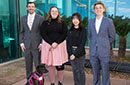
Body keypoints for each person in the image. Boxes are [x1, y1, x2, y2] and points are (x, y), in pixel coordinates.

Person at [88, 2, 116, 85]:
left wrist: (105, 44)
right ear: (94, 10)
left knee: (105, 72)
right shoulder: (90, 22)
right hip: (93, 51)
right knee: (95, 72)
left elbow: (112, 36)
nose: (98, 9)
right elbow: (90, 36)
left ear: (103, 9)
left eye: (100, 8)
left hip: (104, 51)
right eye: (96, 8)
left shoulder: (109, 21)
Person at [40, 6, 68, 85]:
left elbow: (65, 33)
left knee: (60, 65)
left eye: (56, 11)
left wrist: (57, 42)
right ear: (50, 13)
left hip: (59, 46)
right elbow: (43, 33)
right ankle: (52, 83)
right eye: (53, 11)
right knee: (51, 65)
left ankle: (60, 82)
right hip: (49, 46)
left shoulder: (62, 23)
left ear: (58, 13)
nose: (54, 12)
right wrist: (51, 43)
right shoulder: (45, 23)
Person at [19, 2, 44, 81]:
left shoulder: (40, 18)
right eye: (29, 7)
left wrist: (41, 43)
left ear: (35, 8)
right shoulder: (23, 18)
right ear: (27, 8)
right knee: (28, 65)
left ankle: (39, 81)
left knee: (38, 65)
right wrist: (21, 43)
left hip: (37, 46)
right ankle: (29, 80)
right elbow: (21, 32)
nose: (31, 8)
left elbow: (42, 32)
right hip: (26, 46)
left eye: (32, 6)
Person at [67, 13, 87, 85]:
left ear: (79, 20)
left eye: (77, 19)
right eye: (73, 19)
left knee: (81, 70)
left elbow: (82, 44)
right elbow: (68, 43)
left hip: (80, 53)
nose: (75, 20)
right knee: (75, 70)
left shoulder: (83, 30)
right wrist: (70, 53)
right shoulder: (70, 30)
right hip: (71, 52)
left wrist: (75, 54)